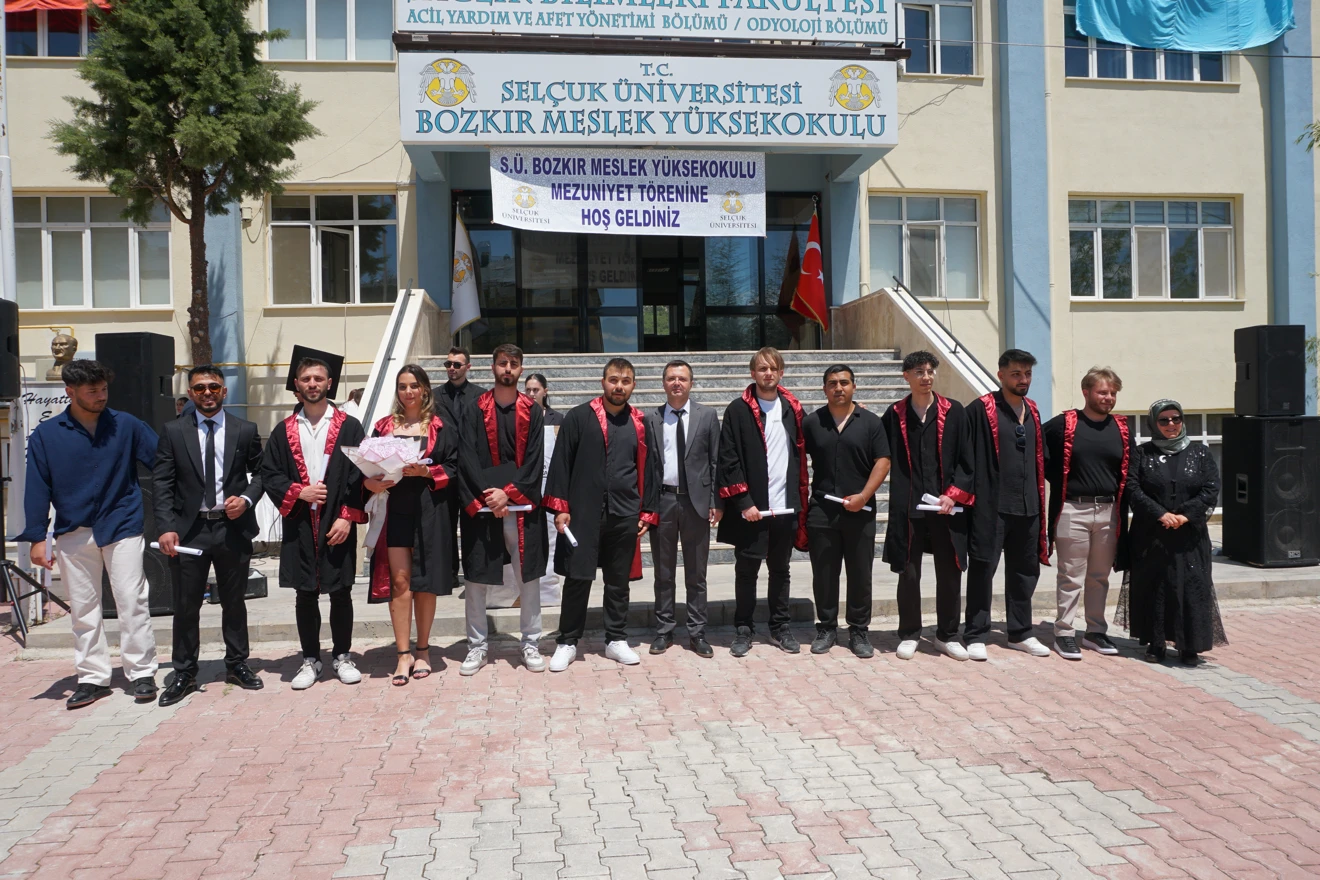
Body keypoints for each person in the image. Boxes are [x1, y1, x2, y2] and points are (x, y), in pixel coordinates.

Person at [21, 360, 160, 709]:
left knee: (132, 600)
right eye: (92, 391)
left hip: (123, 524)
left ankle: (142, 672)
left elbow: (163, 463)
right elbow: (37, 487)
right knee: (83, 608)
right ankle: (93, 678)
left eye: (104, 389)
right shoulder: (46, 435)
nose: (101, 396)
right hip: (72, 530)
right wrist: (37, 537)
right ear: (70, 392)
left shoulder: (127, 425)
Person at [153, 366, 265, 706]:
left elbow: (262, 473)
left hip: (232, 528)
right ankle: (185, 672)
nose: (207, 393)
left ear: (224, 391)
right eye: (200, 387)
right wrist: (165, 526)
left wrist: (246, 499)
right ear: (190, 392)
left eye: (213, 387)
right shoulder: (174, 431)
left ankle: (237, 664)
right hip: (190, 531)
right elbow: (163, 482)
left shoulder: (245, 430)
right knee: (186, 604)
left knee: (234, 601)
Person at [543, 357, 661, 671]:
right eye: (613, 380)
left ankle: (616, 639)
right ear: (603, 382)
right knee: (578, 578)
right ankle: (568, 641)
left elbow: (650, 468)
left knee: (618, 581)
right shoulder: (579, 417)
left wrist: (647, 511)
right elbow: (561, 463)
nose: (619, 386)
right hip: (583, 512)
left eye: (625, 381)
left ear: (633, 385)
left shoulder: (640, 422)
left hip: (624, 512)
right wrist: (560, 507)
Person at [260, 351, 367, 690]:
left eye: (318, 379)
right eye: (306, 379)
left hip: (336, 521)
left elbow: (361, 476)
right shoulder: (284, 430)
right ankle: (310, 659)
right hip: (300, 523)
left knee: (341, 592)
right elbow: (269, 473)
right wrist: (298, 492)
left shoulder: (349, 426)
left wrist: (348, 517)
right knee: (304, 593)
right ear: (297, 384)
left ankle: (342, 656)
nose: (312, 384)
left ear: (329, 383)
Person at [364, 365, 458, 686]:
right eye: (403, 386)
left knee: (426, 582)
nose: (408, 392)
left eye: (414, 386)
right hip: (395, 507)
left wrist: (428, 472)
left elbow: (454, 466)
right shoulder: (383, 426)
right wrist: (371, 481)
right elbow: (368, 464)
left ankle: (423, 650)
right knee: (400, 580)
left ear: (425, 389)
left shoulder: (441, 426)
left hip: (430, 508)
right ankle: (403, 654)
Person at [457, 345, 547, 675]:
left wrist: (507, 494)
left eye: (514, 364)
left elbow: (535, 460)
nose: (508, 368)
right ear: (492, 367)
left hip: (522, 508)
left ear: (521, 369)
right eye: (502, 363)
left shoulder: (532, 411)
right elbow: (466, 456)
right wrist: (490, 497)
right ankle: (477, 645)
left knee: (528, 577)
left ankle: (530, 641)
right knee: (476, 579)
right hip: (483, 508)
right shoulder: (474, 408)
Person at [881, 352, 977, 660]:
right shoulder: (895, 414)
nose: (926, 377)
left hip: (946, 507)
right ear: (906, 376)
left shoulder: (954, 411)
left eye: (930, 371)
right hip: (909, 506)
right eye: (919, 372)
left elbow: (967, 459)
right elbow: (878, 448)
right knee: (908, 573)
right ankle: (910, 633)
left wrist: (953, 494)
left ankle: (947, 635)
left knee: (949, 572)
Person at [717, 347, 810, 658]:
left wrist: (854, 411)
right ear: (752, 373)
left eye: (773, 368)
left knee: (781, 570)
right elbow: (728, 457)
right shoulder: (738, 410)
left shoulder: (792, 409)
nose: (768, 373)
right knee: (746, 571)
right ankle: (744, 628)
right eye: (762, 368)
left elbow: (813, 438)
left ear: (781, 372)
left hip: (785, 505)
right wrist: (744, 502)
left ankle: (780, 626)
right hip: (752, 509)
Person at [1120, 400, 1226, 665]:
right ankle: (1155, 643)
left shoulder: (1200, 452)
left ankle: (1189, 645)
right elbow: (1132, 487)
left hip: (1189, 534)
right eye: (1164, 420)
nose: (1171, 424)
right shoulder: (1142, 453)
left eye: (1176, 419)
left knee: (1191, 586)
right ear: (1153, 423)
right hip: (1151, 534)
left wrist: (1184, 515)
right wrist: (1160, 514)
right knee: (1155, 586)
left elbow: (1211, 488)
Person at [964, 350, 1052, 657]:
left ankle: (1020, 632)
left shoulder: (1033, 410)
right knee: (983, 569)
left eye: (1027, 374)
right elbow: (965, 457)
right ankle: (976, 633)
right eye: (1016, 374)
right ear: (1001, 375)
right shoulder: (981, 409)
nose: (1023, 380)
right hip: (993, 507)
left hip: (1028, 507)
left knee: (1025, 573)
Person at [1043, 367, 1133, 661]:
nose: (1108, 398)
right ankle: (1064, 633)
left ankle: (1095, 631)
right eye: (1102, 392)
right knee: (1071, 576)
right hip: (1072, 509)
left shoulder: (1121, 428)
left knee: (1099, 576)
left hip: (1109, 512)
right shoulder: (1063, 424)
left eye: (1113, 393)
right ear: (1086, 392)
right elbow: (1039, 454)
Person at [803, 365, 891, 658]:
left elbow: (883, 461)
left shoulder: (871, 422)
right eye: (832, 383)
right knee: (824, 573)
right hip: (822, 510)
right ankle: (827, 628)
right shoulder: (812, 422)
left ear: (854, 386)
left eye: (844, 382)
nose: (838, 387)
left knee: (860, 573)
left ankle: (859, 630)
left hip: (860, 509)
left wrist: (864, 495)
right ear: (824, 389)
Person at [645, 360, 722, 658]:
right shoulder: (651, 418)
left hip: (696, 502)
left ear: (691, 383)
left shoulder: (707, 415)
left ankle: (697, 632)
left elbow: (715, 461)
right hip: (663, 501)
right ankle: (664, 630)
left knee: (696, 573)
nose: (677, 383)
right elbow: (648, 466)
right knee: (663, 572)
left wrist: (716, 502)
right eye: (671, 378)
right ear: (663, 383)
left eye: (682, 378)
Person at [439, 347, 486, 594]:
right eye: (448, 364)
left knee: (473, 523)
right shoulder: (434, 396)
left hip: (471, 470)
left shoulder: (481, 396)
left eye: (457, 365)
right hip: (444, 470)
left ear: (468, 367)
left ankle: (474, 574)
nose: (452, 369)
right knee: (445, 524)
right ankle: (448, 576)